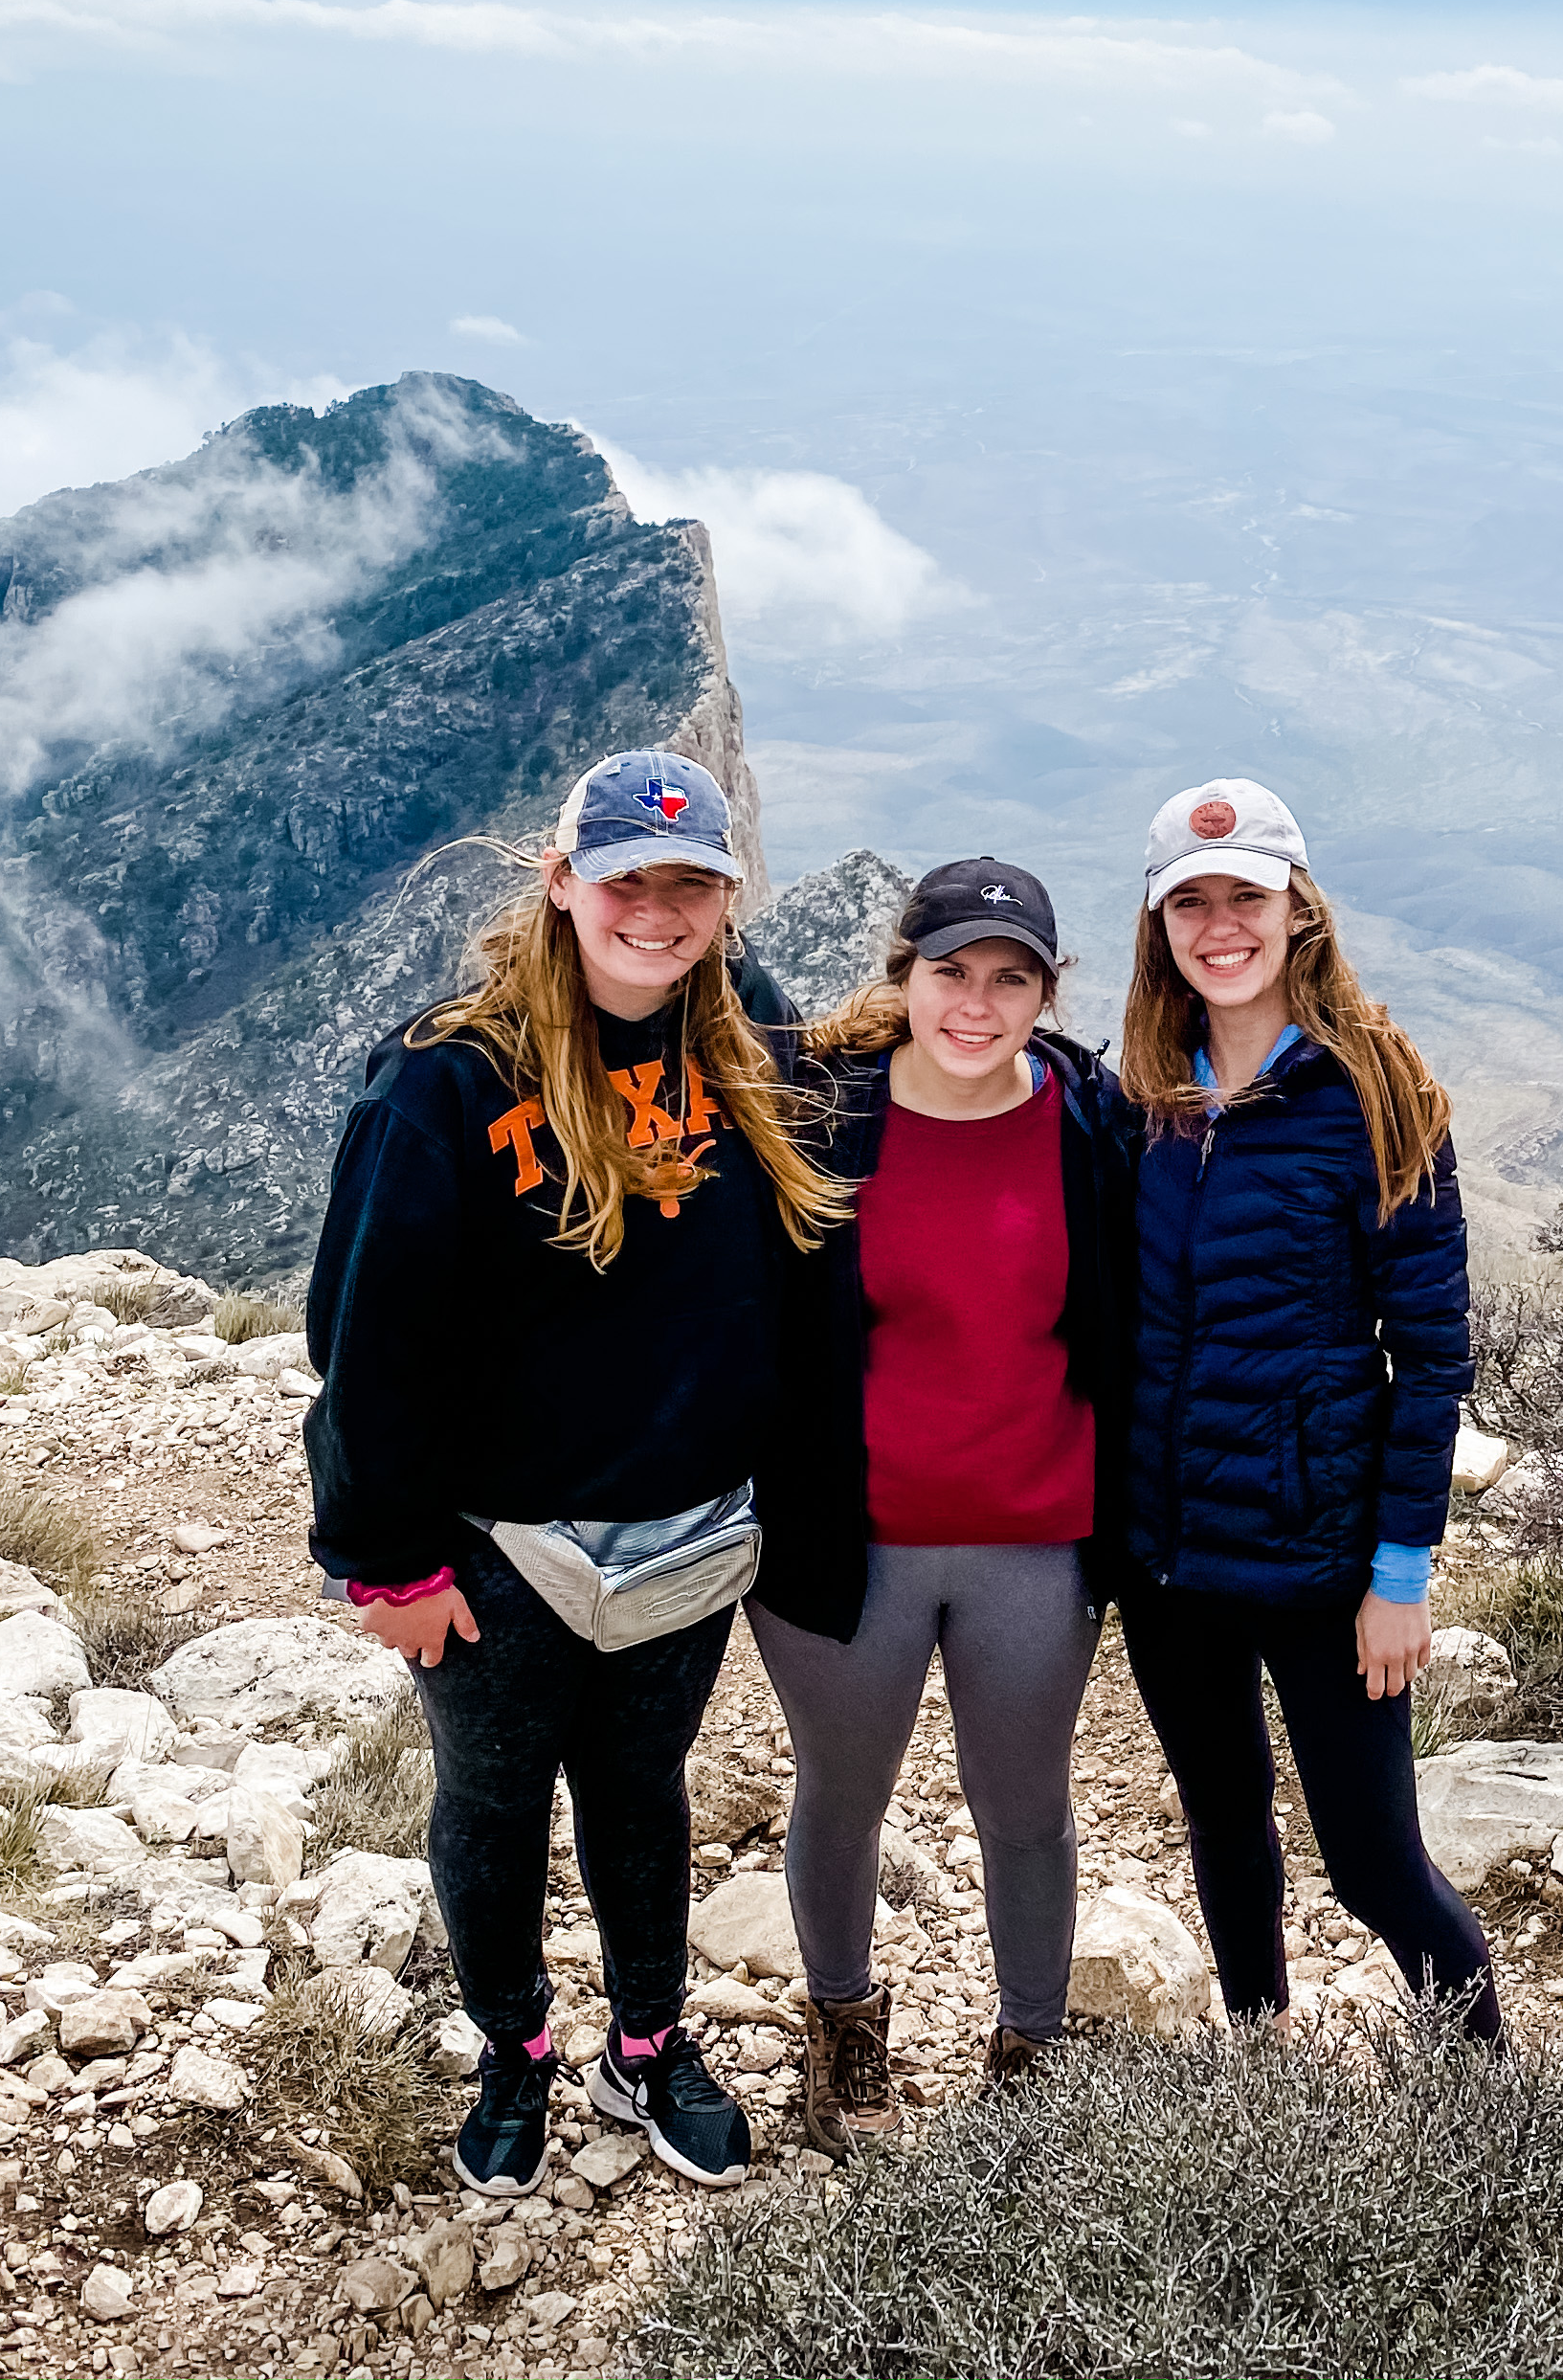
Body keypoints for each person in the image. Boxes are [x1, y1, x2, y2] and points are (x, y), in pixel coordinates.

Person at [302, 748, 841, 2195]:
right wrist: (388, 1562)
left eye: (690, 885)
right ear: (560, 884)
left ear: (726, 898)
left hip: (691, 1530)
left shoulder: (755, 1042)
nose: (655, 913)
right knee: (492, 1804)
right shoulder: (447, 1077)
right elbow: (364, 1336)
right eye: (624, 882)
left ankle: (649, 2044)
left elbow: (805, 1276)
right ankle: (514, 2048)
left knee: (641, 1789)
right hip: (502, 1547)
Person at [748, 856, 1136, 2156]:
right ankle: (843, 2035)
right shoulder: (820, 1115)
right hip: (847, 1537)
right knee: (843, 1791)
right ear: (903, 974)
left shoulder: (1089, 1120)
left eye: (1009, 980)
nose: (977, 1005)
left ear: (1047, 992)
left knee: (1025, 1805)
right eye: (950, 972)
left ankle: (1031, 2054)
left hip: (1036, 1531)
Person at [1111, 775, 1496, 2037]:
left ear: (1300, 911)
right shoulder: (1145, 1094)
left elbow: (1431, 1355)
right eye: (1192, 905)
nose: (1222, 928)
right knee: (1224, 1827)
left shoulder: (1377, 1093)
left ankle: (1499, 2108)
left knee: (1375, 1866)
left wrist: (1400, 1574)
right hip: (1170, 1562)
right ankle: (1264, 2069)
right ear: (1159, 926)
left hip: (1322, 1562)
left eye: (1249, 899)